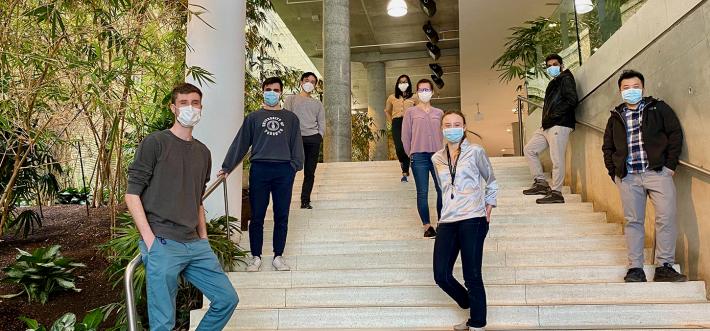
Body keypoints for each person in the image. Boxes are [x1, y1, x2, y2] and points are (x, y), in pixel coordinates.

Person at [126, 83, 238, 330]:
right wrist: (150, 241)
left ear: (201, 107)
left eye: (195, 103)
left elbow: (197, 199)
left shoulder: (203, 152)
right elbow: (132, 195)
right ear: (173, 108)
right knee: (163, 322)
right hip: (162, 242)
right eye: (184, 103)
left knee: (227, 299)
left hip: (195, 244)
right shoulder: (155, 143)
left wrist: (204, 238)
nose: (190, 108)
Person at [602, 70, 687, 283]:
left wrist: (670, 165)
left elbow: (675, 133)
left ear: (643, 88)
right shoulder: (615, 116)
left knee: (666, 218)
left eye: (635, 87)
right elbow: (608, 147)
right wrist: (615, 173)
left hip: (658, 173)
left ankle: (665, 266)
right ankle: (635, 269)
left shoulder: (658, 108)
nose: (631, 91)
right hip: (629, 177)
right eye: (626, 88)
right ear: (620, 91)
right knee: (633, 222)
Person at [220, 77, 305, 272]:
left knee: (281, 215)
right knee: (256, 215)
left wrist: (294, 166)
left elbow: (296, 145)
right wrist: (227, 167)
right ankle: (256, 256)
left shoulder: (291, 119)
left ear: (281, 92)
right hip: (260, 169)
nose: (272, 93)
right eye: (268, 89)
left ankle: (278, 256)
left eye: (276, 90)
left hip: (284, 170)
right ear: (262, 91)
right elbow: (241, 143)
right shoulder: (253, 118)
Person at [433, 111, 497, 331]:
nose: (452, 128)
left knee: (472, 274)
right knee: (441, 274)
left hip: (473, 218)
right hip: (447, 220)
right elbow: (443, 189)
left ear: (464, 126)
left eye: (457, 124)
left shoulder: (476, 151)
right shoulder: (437, 158)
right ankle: (470, 302)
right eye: (448, 124)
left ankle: (477, 323)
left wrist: (488, 208)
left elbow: (491, 181)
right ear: (442, 129)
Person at [523, 53, 578, 204]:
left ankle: (557, 192)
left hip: (559, 124)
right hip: (547, 125)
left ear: (561, 65)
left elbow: (572, 100)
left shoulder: (566, 79)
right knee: (529, 149)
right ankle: (540, 182)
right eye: (548, 66)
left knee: (557, 159)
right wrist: (547, 120)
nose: (551, 68)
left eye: (554, 64)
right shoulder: (552, 83)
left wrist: (553, 116)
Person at [402, 78, 443, 238]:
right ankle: (427, 226)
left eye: (427, 90)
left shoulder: (439, 113)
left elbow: (443, 135)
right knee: (422, 192)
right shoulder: (410, 112)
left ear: (432, 92)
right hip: (419, 157)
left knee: (442, 189)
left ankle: (442, 223)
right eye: (421, 90)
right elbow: (405, 136)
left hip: (438, 156)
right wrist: (410, 153)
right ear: (417, 93)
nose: (424, 92)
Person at [284, 72, 325, 209]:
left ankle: (305, 201)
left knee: (310, 172)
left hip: (313, 138)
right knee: (291, 169)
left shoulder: (317, 103)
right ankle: (285, 199)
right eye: (307, 80)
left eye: (312, 82)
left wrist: (320, 135)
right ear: (301, 82)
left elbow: (322, 121)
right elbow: (286, 118)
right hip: (295, 138)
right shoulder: (291, 99)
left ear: (315, 86)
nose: (309, 83)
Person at [385, 74, 418, 182]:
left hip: (409, 122)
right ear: (397, 84)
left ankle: (405, 170)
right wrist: (392, 122)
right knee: (399, 147)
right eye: (401, 82)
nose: (403, 84)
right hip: (397, 123)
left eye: (405, 82)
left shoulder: (415, 97)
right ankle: (402, 162)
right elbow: (387, 111)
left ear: (409, 83)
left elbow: (419, 111)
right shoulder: (392, 97)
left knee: (407, 146)